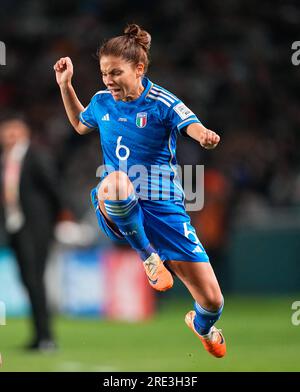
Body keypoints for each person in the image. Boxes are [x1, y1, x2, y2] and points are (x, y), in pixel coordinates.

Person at [54, 24, 226, 358]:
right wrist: (66, 86)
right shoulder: (102, 101)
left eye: (115, 72)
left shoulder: (161, 101)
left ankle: (201, 326)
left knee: (212, 301)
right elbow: (79, 124)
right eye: (104, 73)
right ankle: (148, 257)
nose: (108, 80)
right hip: (119, 202)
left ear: (139, 69)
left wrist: (203, 134)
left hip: (164, 209)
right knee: (116, 182)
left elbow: (190, 123)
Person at [0, 117, 61, 351]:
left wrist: (55, 220)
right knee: (28, 281)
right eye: (6, 132)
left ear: (24, 132)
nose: (9, 136)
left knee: (35, 280)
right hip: (15, 227)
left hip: (35, 228)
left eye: (14, 131)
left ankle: (46, 337)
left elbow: (53, 187)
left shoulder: (36, 155)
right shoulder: (6, 160)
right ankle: (40, 336)